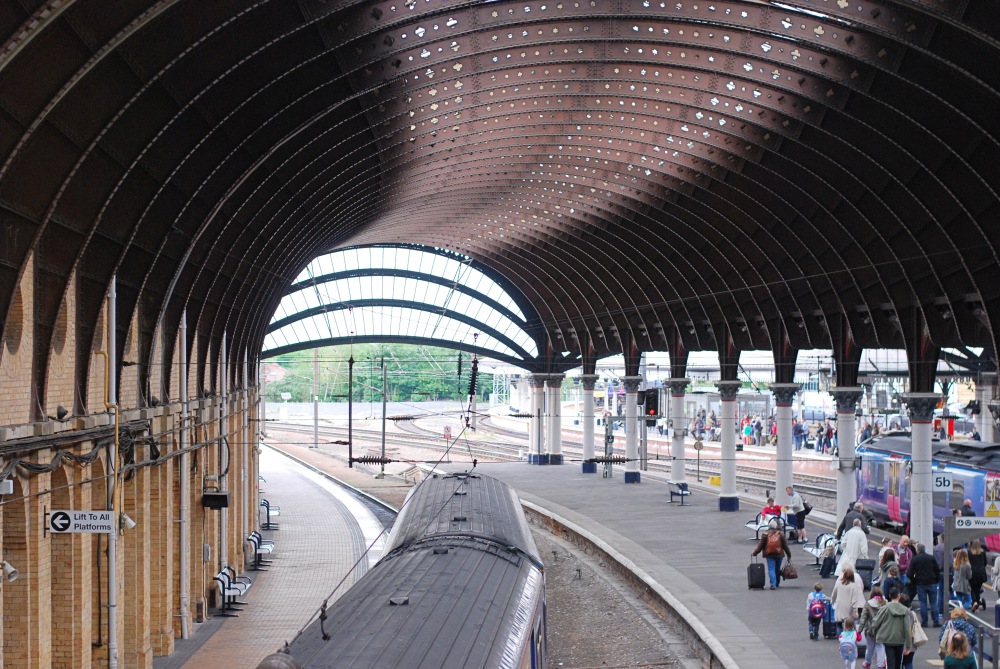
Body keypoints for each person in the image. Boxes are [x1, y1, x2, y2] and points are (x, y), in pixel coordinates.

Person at [871, 587, 913, 669]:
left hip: (888, 639)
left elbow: (875, 623)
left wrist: (876, 634)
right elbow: (907, 629)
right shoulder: (904, 610)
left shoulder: (885, 608)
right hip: (900, 640)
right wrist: (908, 645)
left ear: (889, 596)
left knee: (890, 663)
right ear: (899, 596)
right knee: (898, 664)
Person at [752, 518, 792, 589]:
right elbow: (785, 546)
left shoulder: (765, 534)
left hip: (769, 554)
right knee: (777, 569)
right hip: (779, 554)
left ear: (769, 526)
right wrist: (789, 555)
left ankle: (773, 584)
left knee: (771, 569)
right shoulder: (781, 534)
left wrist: (755, 553)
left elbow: (760, 545)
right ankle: (777, 583)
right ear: (776, 527)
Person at [908, 542, 942, 627]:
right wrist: (936, 579)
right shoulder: (931, 558)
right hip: (932, 583)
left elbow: (909, 573)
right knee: (933, 603)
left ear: (918, 550)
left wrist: (914, 581)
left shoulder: (915, 559)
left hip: (920, 583)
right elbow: (937, 570)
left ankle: (924, 622)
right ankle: (936, 621)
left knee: (923, 603)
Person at [858, 585, 886, 669]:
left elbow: (863, 619)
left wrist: (859, 631)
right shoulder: (885, 603)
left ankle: (867, 662)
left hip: (870, 630)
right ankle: (880, 665)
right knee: (880, 646)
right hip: (882, 629)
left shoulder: (868, 604)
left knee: (870, 647)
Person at [832, 567, 866, 632]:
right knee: (848, 624)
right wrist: (855, 611)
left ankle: (840, 637)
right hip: (848, 607)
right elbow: (854, 600)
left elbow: (834, 594)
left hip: (839, 605)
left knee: (838, 623)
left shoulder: (839, 583)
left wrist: (832, 601)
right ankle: (847, 637)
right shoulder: (853, 586)